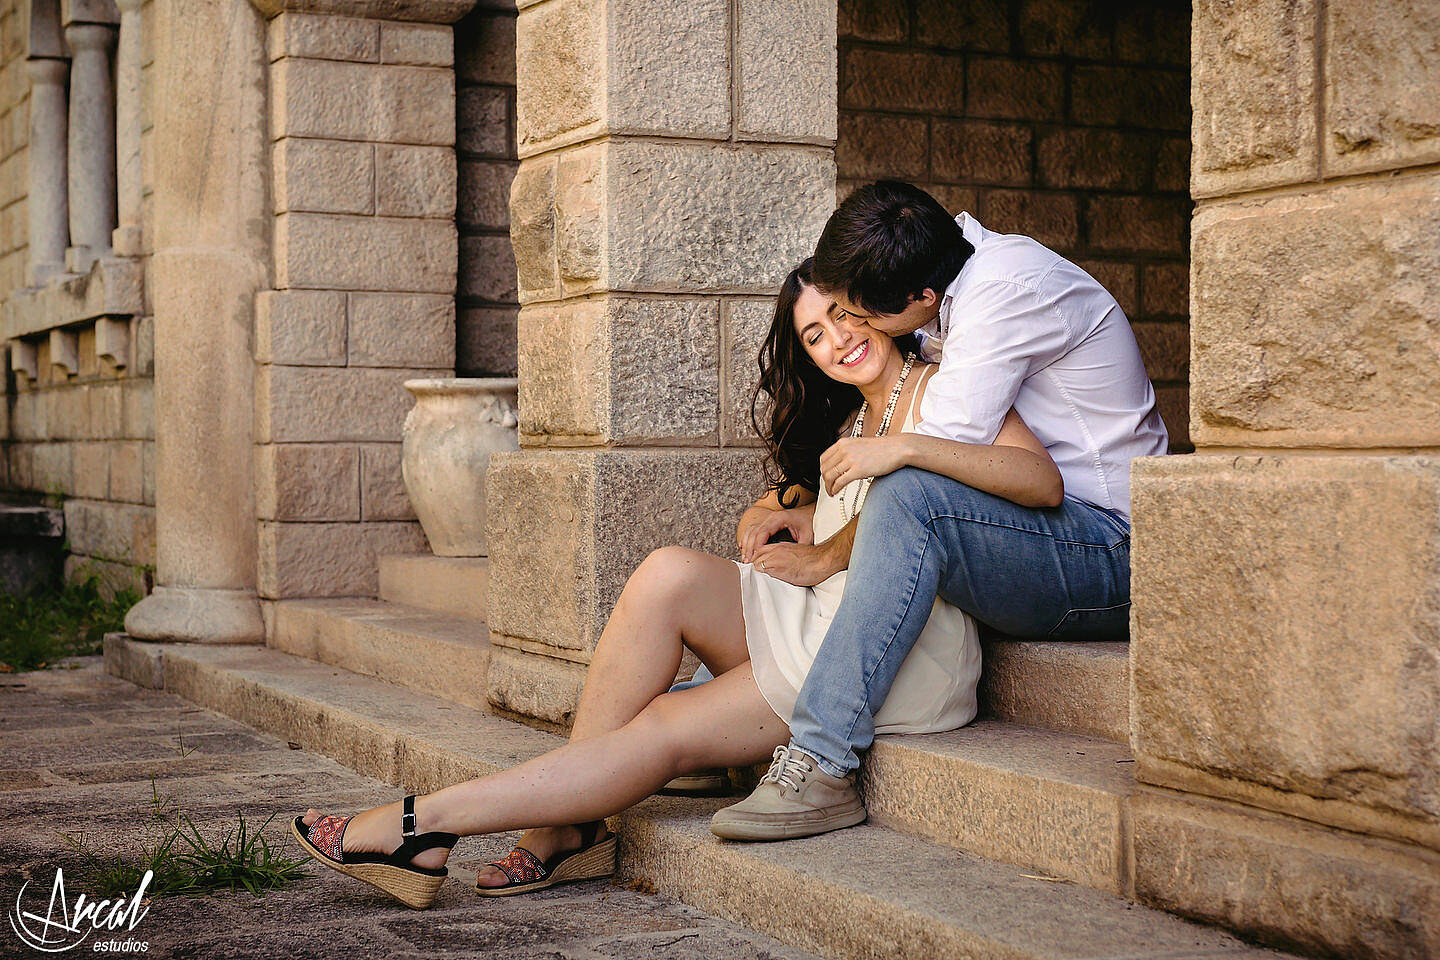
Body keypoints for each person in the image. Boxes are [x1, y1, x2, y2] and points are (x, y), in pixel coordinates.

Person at [291, 259, 1065, 908]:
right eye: (815, 335)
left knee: (664, 723)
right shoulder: (852, 427)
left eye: (842, 313)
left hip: (892, 653)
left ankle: (423, 825)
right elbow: (847, 507)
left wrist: (909, 453)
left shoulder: (945, 392)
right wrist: (785, 503)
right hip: (825, 613)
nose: (839, 340)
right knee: (666, 573)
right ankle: (570, 824)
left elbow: (1039, 482)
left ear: (874, 302)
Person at [709, 181, 1169, 841]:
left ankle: (822, 761)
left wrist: (826, 557)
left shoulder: (999, 296)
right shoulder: (953, 273)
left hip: (1115, 551)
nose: (849, 325)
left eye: (856, 310)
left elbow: (930, 470)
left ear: (920, 300)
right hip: (1051, 533)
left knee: (906, 492)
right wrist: (799, 497)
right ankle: (708, 726)